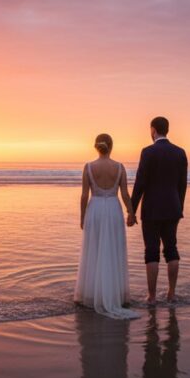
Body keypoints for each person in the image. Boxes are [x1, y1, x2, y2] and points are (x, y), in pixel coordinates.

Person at [75, 133, 139, 319]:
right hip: (113, 209)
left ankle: (91, 295)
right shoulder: (119, 167)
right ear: (111, 146)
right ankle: (115, 295)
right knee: (112, 250)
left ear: (96, 147)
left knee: (93, 250)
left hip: (94, 209)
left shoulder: (88, 167)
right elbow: (125, 194)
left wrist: (82, 217)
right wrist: (131, 212)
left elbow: (84, 196)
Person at [129, 116, 188, 305]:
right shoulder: (180, 152)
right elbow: (182, 184)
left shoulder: (148, 152)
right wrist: (180, 206)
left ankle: (152, 296)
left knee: (151, 251)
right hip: (173, 207)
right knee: (171, 249)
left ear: (153, 130)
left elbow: (140, 183)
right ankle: (171, 293)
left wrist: (132, 210)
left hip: (152, 209)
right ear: (167, 130)